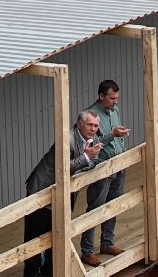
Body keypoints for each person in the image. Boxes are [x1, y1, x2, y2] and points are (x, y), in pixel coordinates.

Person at [24, 110, 102, 277]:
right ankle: (31, 273)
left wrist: (87, 159)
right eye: (90, 125)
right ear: (79, 124)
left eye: (96, 125)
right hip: (41, 190)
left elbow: (93, 162)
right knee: (35, 235)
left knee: (57, 234)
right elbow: (64, 167)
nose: (93, 129)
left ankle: (50, 272)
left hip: (62, 195)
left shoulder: (93, 139)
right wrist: (86, 157)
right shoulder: (67, 139)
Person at [80, 80, 133, 264]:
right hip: (101, 169)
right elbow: (90, 143)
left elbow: (115, 135)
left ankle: (107, 243)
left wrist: (121, 140)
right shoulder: (91, 116)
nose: (115, 102)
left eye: (116, 98)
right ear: (101, 96)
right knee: (95, 208)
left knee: (113, 205)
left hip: (118, 164)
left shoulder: (114, 111)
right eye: (111, 98)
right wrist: (112, 135)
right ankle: (87, 250)